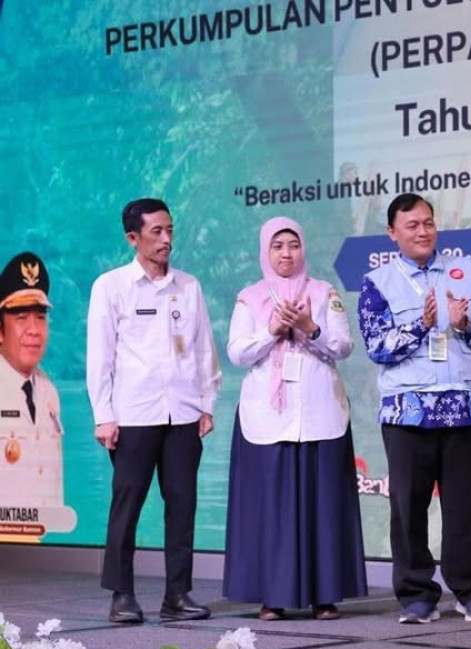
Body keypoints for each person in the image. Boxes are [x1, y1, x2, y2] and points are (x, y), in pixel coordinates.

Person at [358, 193, 471, 624]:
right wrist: (421, 324)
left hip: (461, 409)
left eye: (428, 223)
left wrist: (463, 324)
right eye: (411, 226)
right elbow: (377, 347)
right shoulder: (378, 281)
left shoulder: (465, 271)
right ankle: (417, 595)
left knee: (467, 507)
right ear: (392, 233)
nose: (422, 232)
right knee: (408, 508)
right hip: (407, 413)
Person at [223, 217, 366, 621]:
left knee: (323, 505)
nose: (287, 253)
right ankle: (272, 596)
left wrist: (310, 327)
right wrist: (271, 331)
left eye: (293, 245)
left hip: (320, 412)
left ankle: (326, 595)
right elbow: (236, 353)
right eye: (278, 246)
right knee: (270, 508)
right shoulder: (249, 297)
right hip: (269, 417)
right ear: (265, 251)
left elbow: (342, 345)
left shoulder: (324, 292)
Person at [86, 198, 221, 624]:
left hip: (182, 413)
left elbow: (203, 349)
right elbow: (100, 358)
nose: (166, 240)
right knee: (127, 504)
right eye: (156, 232)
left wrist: (207, 402)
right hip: (133, 416)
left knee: (182, 504)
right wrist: (103, 415)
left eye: (170, 230)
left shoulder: (189, 286)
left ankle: (177, 594)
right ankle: (121, 594)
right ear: (133, 238)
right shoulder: (111, 287)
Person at [0, 251, 67, 521]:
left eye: (40, 317)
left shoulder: (48, 392)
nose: (34, 330)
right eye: (21, 317)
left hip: (44, 547)